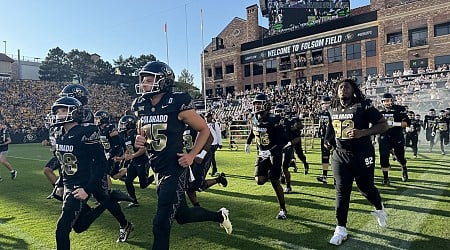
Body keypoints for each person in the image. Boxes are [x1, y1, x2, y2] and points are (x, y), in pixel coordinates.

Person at [133, 61, 232, 250]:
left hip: (175, 168)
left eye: (149, 79)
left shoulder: (177, 101)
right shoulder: (141, 105)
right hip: (158, 169)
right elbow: (142, 133)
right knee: (182, 216)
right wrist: (140, 140)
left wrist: (192, 155)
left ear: (164, 81)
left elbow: (204, 130)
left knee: (160, 223)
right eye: (143, 79)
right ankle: (220, 216)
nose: (144, 83)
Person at [50, 97, 133, 249]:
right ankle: (112, 198)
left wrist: (87, 189)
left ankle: (119, 216)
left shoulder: (86, 132)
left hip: (82, 184)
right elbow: (63, 162)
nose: (59, 115)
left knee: (62, 230)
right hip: (70, 184)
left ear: (75, 112)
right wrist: (60, 183)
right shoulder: (59, 133)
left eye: (63, 111)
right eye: (57, 111)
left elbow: (101, 163)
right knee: (80, 226)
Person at [325, 79, 388, 246]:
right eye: (340, 87)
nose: (343, 89)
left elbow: (383, 125)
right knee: (341, 191)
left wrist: (363, 132)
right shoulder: (332, 107)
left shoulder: (363, 105)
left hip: (362, 153)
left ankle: (379, 208)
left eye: (347, 86)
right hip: (340, 155)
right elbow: (331, 126)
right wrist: (328, 140)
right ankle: (340, 228)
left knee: (365, 188)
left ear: (353, 90)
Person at [245, 93, 288, 219]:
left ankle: (283, 209)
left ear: (266, 104)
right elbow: (253, 131)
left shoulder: (275, 119)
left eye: (258, 103)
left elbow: (283, 140)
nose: (256, 106)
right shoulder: (254, 118)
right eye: (255, 103)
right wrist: (248, 143)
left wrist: (271, 151)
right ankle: (274, 173)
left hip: (274, 154)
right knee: (259, 180)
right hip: (261, 153)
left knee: (275, 182)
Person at [183, 123, 228, 207]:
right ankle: (197, 207)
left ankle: (219, 179)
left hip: (202, 157)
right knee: (188, 186)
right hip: (189, 157)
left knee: (198, 185)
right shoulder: (178, 124)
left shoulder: (193, 120)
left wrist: (202, 154)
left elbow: (210, 138)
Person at [118, 114, 154, 208]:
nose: (121, 126)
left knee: (143, 184)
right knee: (128, 181)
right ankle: (134, 201)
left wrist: (133, 155)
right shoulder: (125, 135)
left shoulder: (136, 134)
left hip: (142, 161)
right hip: (134, 161)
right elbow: (128, 149)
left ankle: (155, 176)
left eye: (123, 124)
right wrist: (122, 157)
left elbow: (143, 148)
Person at [377, 93, 410, 185]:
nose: (387, 103)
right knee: (383, 158)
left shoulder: (399, 109)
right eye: (385, 101)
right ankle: (386, 178)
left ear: (392, 100)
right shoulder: (378, 110)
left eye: (389, 100)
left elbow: (406, 123)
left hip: (396, 135)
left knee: (400, 157)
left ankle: (404, 168)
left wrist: (393, 124)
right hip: (383, 136)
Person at [316, 96, 332, 184]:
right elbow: (320, 123)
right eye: (323, 104)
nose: (325, 105)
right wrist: (319, 129)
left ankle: (337, 177)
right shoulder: (321, 113)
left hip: (332, 138)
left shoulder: (333, 112)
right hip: (323, 137)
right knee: (325, 157)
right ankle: (324, 176)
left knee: (335, 158)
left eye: (327, 103)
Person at [205, 112, 222, 176]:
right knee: (211, 157)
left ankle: (214, 170)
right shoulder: (205, 124)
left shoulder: (215, 124)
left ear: (211, 117)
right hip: (208, 144)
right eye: (206, 117)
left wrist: (220, 143)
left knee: (211, 157)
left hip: (214, 144)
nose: (206, 118)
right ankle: (214, 170)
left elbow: (218, 134)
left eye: (208, 117)